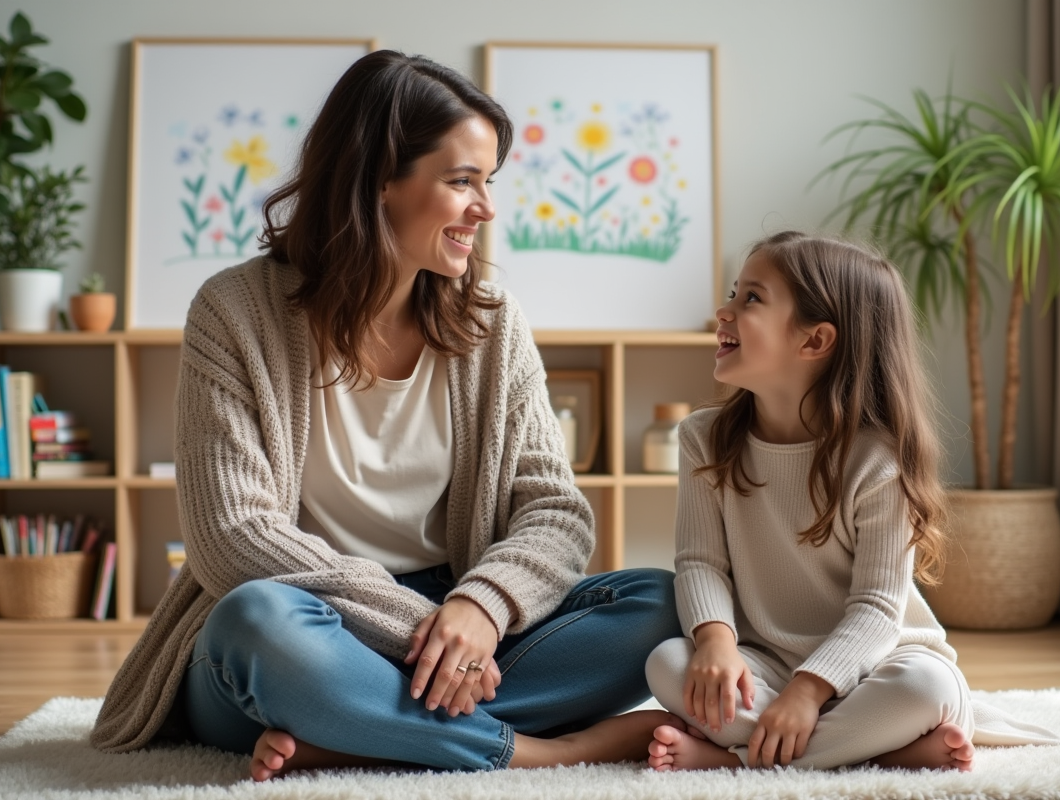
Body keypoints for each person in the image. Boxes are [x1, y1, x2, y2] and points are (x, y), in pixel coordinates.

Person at [90, 50, 683, 778]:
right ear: (377, 184)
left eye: (487, 182)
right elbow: (232, 538)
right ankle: (535, 750)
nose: (486, 208)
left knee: (660, 602)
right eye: (462, 181)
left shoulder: (494, 325)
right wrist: (422, 631)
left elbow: (555, 511)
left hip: (457, 610)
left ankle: (351, 733)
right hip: (309, 620)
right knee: (252, 624)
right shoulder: (233, 312)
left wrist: (482, 607)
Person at [644, 231, 1058, 772]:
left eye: (751, 298)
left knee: (927, 687)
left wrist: (809, 693)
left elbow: (878, 609)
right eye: (733, 292)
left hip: (881, 661)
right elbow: (700, 562)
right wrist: (717, 643)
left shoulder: (877, 459)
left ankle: (737, 761)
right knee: (667, 662)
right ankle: (883, 751)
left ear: (814, 341)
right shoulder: (704, 437)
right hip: (765, 661)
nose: (723, 311)